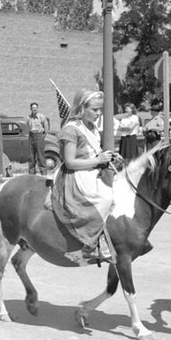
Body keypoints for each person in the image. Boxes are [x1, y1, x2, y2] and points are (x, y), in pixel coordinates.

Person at [50, 88, 119, 264]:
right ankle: (90, 244)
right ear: (82, 108)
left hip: (92, 170)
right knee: (105, 198)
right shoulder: (71, 130)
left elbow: (92, 152)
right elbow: (70, 162)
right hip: (75, 175)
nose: (98, 113)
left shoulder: (92, 127)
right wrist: (98, 160)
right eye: (94, 109)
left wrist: (108, 156)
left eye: (100, 109)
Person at [26, 102, 50, 174]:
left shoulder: (41, 116)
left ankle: (43, 172)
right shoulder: (28, 117)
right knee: (31, 156)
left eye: (36, 108)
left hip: (39, 135)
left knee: (40, 155)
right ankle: (31, 173)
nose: (34, 109)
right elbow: (28, 125)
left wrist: (44, 134)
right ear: (30, 109)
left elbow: (46, 124)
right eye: (33, 108)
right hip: (31, 136)